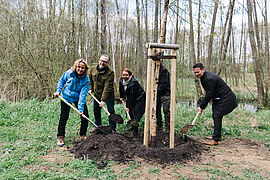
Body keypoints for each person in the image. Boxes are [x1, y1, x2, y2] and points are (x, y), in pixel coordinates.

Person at [193, 63, 237, 146]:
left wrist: (201, 106)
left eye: (198, 72)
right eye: (195, 73)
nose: (196, 74)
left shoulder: (209, 78)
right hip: (218, 99)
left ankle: (215, 140)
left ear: (203, 70)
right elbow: (210, 93)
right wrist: (203, 105)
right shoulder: (203, 77)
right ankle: (217, 136)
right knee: (215, 115)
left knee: (217, 115)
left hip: (227, 99)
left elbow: (209, 94)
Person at [53, 59, 90, 147]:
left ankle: (83, 134)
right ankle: (60, 136)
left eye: (82, 68)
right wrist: (58, 91)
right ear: (75, 67)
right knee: (64, 116)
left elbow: (82, 95)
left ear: (85, 69)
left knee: (85, 115)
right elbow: (62, 81)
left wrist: (80, 109)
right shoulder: (69, 73)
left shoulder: (86, 80)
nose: (80, 69)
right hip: (66, 97)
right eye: (79, 67)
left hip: (78, 98)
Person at [88, 54, 116, 132]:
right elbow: (89, 80)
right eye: (101, 60)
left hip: (108, 94)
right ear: (99, 60)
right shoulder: (93, 68)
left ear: (107, 63)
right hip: (97, 94)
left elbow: (108, 87)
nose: (102, 63)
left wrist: (103, 100)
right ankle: (98, 127)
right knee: (96, 110)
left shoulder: (110, 72)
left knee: (110, 110)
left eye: (105, 62)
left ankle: (112, 128)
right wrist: (90, 89)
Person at [119, 68, 146, 135]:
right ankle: (132, 127)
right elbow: (121, 89)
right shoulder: (121, 81)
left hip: (139, 99)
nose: (124, 77)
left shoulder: (134, 82)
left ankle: (135, 131)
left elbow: (132, 96)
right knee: (130, 113)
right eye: (123, 75)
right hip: (131, 98)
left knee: (136, 113)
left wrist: (128, 106)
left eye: (126, 75)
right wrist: (121, 97)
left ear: (130, 75)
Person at [156, 63, 171, 133]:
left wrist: (156, 90)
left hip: (165, 93)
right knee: (156, 110)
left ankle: (167, 128)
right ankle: (159, 126)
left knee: (166, 110)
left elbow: (163, 84)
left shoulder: (164, 70)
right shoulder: (153, 70)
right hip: (156, 94)